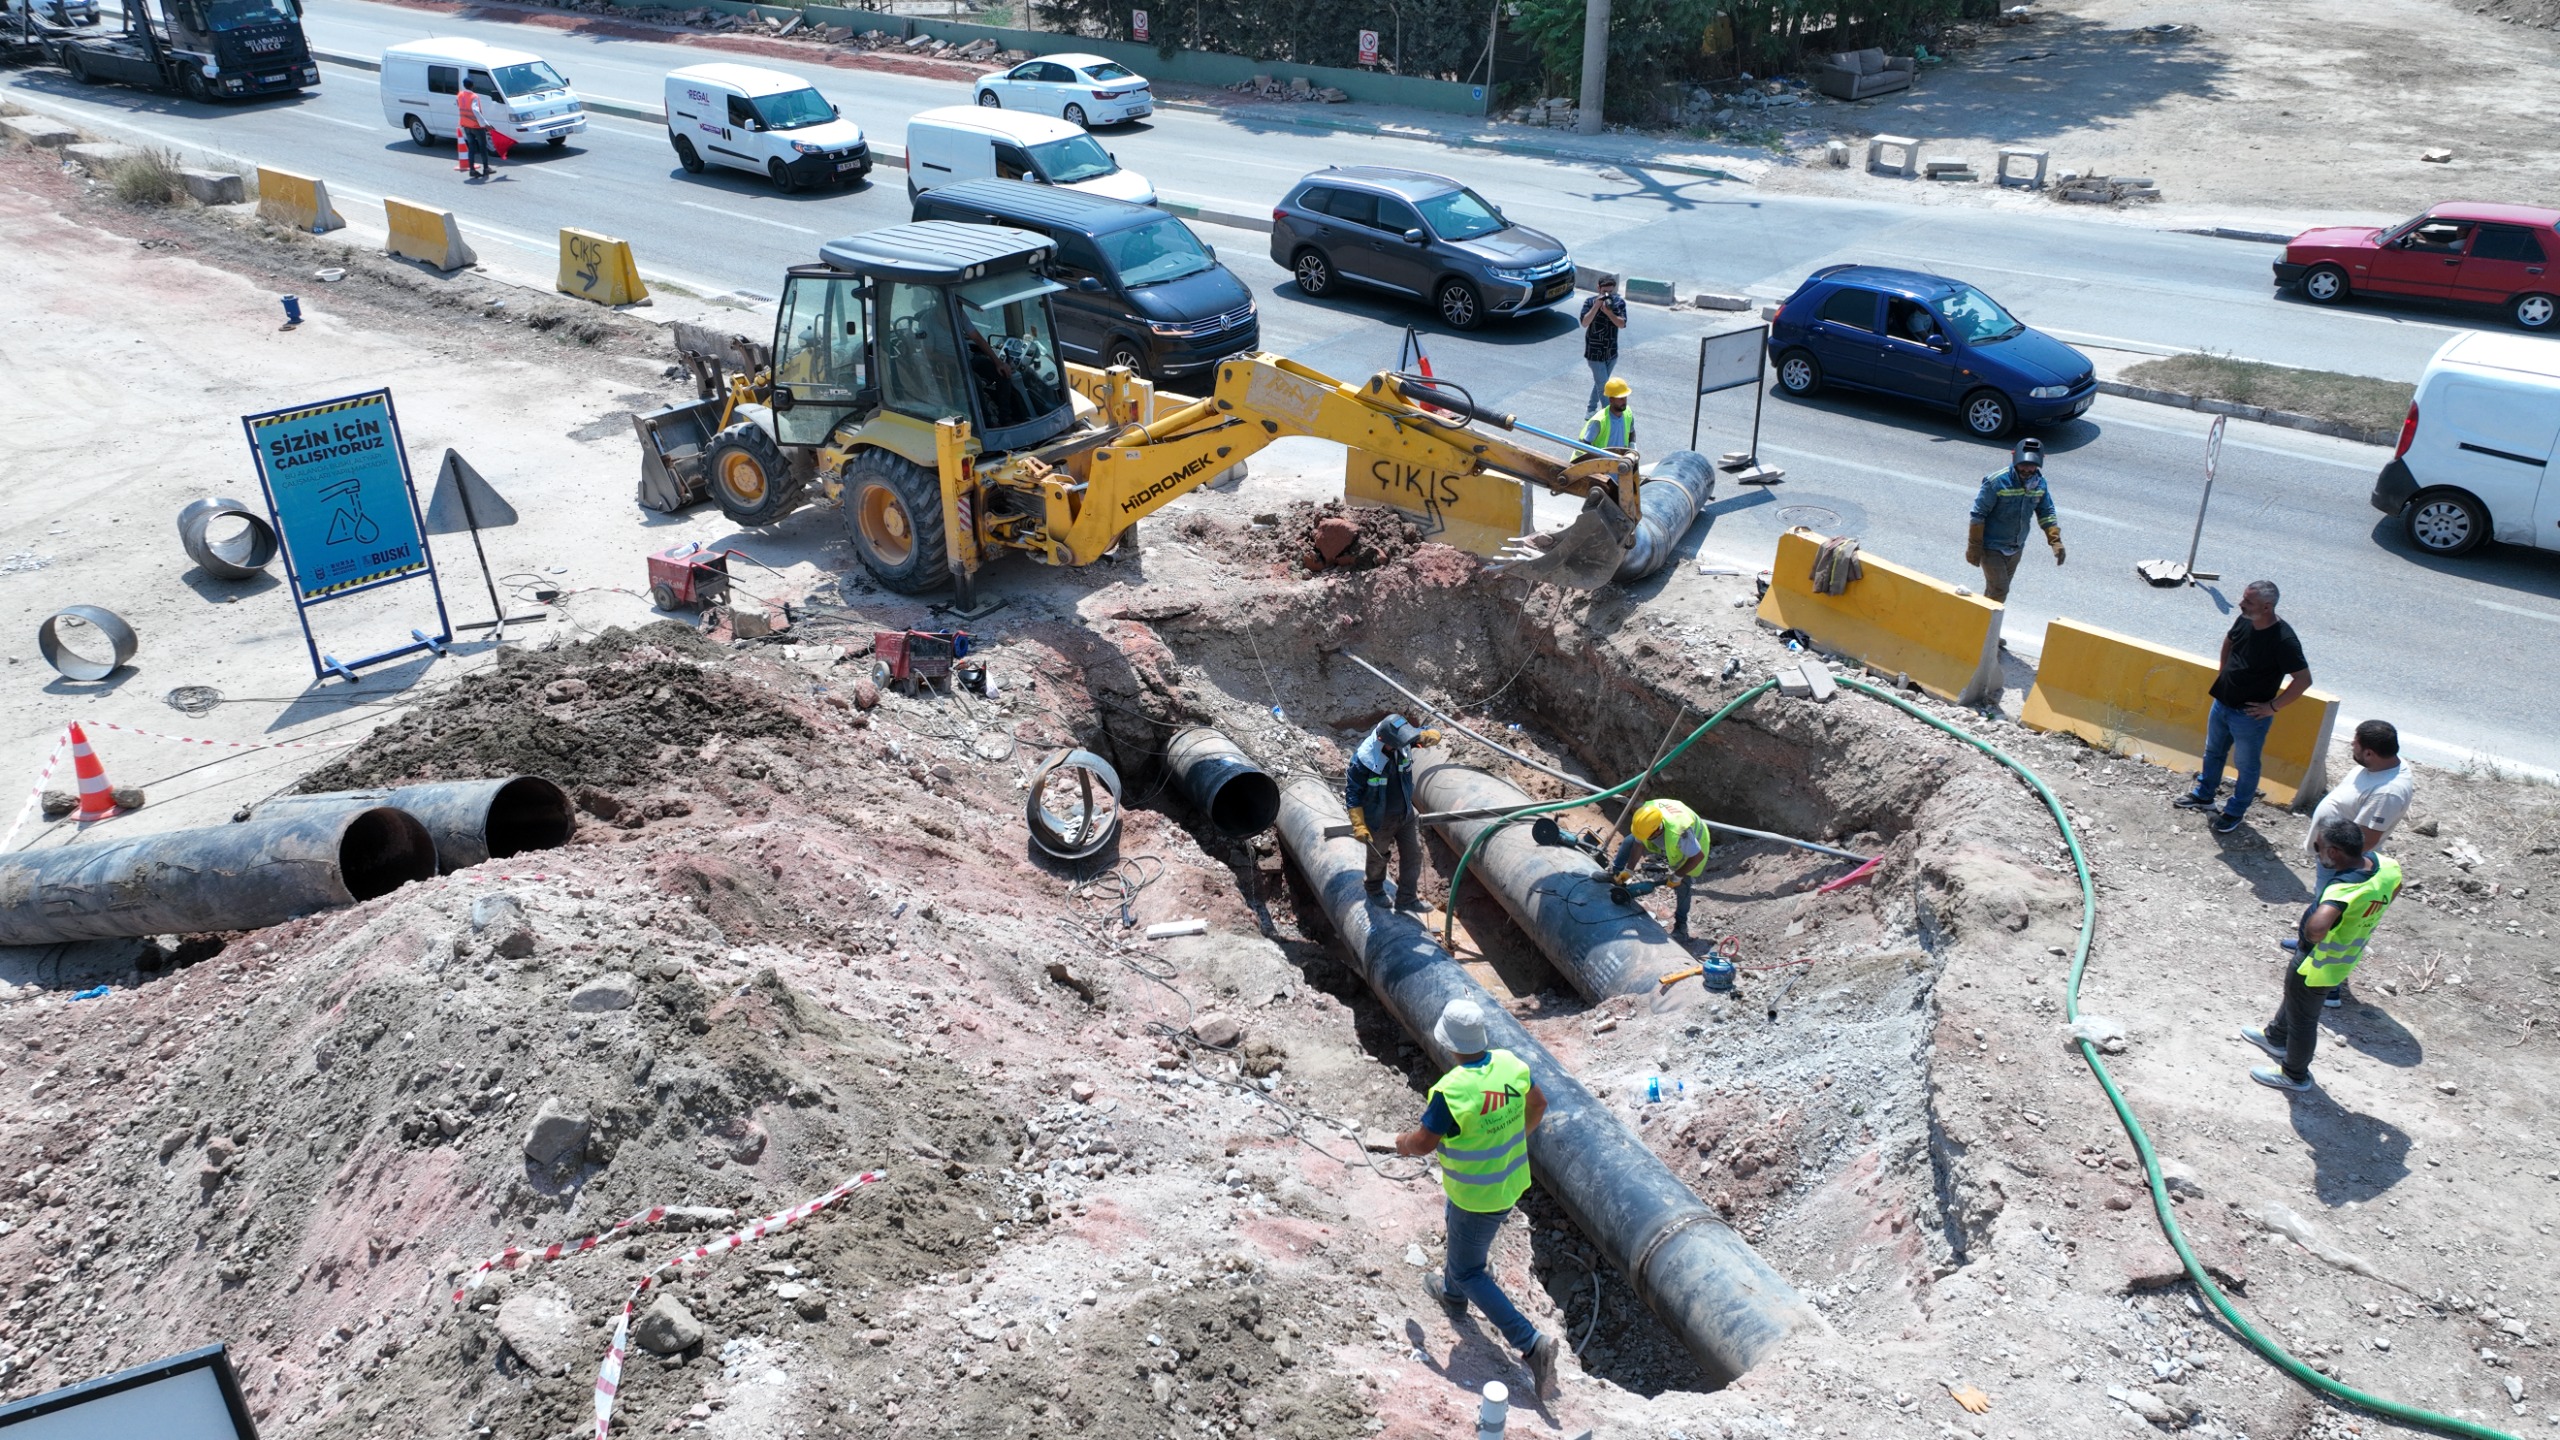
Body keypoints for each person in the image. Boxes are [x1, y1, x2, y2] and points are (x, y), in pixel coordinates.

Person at [1394, 998, 1565, 1402]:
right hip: (1506, 1183)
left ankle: (1530, 1343)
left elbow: (1422, 1143)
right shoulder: (1510, 1064)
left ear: (1450, 1045)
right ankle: (1453, 1297)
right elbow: (1539, 1104)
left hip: (1477, 1194)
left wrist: (1401, 1143)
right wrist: (1511, 1139)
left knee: (1471, 1269)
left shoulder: (1451, 1092)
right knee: (1461, 1236)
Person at [2241, 818, 2401, 1092]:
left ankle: (2294, 1074)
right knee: (2296, 1000)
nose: (2318, 852)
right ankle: (2276, 1037)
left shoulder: (2343, 890)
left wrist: (2313, 934)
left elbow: (2317, 928)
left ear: (2335, 851)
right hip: (2345, 956)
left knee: (2304, 1020)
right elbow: (2396, 888)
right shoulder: (2386, 867)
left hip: (2318, 963)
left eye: (2319, 846)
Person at [2291, 719, 2415, 1007]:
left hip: (2340, 864)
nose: (2351, 745)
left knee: (2333, 924)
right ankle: (2306, 946)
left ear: (2370, 752)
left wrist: (2333, 858)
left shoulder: (2388, 792)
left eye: (2356, 743)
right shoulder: (2377, 766)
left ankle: (2327, 988)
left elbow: (2367, 840)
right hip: (2332, 856)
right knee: (2321, 911)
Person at [2174, 580, 2312, 835]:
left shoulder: (2284, 640)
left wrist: (2273, 707)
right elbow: (2229, 640)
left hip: (2249, 716)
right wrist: (2224, 671)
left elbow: (2303, 680)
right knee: (2213, 751)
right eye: (2244, 599)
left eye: (2248, 601)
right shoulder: (2246, 619)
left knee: (2246, 765)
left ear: (2267, 606)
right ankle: (2204, 795)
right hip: (2222, 702)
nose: (2241, 603)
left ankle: (2235, 811)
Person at [1344, 714, 1442, 910]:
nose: (1401, 746)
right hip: (1380, 819)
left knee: (1413, 855)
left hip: (1406, 813)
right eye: (1396, 744)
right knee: (1378, 857)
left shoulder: (1400, 740)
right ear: (1383, 740)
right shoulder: (1364, 759)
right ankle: (1374, 889)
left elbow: (1424, 732)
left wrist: (1429, 735)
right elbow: (1353, 793)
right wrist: (1359, 824)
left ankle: (1406, 898)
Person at [1963, 438, 2064, 603]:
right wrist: (1974, 547)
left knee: (1995, 592)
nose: (2027, 469)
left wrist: (2055, 541)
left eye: (2032, 466)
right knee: (2000, 590)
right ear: (2014, 459)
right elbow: (1978, 515)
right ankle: (1988, 627)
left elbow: (2046, 512)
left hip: (2016, 548)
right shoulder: (1996, 482)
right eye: (2023, 465)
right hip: (1992, 548)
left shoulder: (2040, 484)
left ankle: (1981, 623)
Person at [1609, 798, 1713, 940]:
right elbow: (1638, 844)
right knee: (1630, 840)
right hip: (1667, 829)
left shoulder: (1681, 833)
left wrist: (1678, 875)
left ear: (1657, 831)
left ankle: (1681, 926)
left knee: (1684, 883)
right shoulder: (1646, 819)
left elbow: (1697, 856)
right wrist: (1629, 870)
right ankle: (1615, 875)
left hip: (1695, 845)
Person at [1580, 276, 1627, 413]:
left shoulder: (1618, 303)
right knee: (1604, 386)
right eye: (1604, 292)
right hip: (1594, 352)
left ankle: (1591, 409)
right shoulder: (1590, 302)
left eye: (1610, 292)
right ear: (1598, 288)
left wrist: (1609, 313)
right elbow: (1584, 323)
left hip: (1611, 352)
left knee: (1601, 382)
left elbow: (1622, 324)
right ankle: (1610, 414)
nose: (1607, 295)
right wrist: (1596, 306)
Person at [1581, 377, 1635, 453]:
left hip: (1620, 459)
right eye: (1620, 398)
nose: (1624, 401)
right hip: (1602, 462)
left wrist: (1632, 446)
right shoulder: (1599, 421)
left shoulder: (1628, 413)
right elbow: (1585, 444)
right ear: (1611, 400)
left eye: (1625, 397)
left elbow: (1631, 431)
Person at [456, 83, 494, 180]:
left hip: (465, 125)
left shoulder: (460, 95)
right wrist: (485, 124)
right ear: (472, 86)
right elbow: (475, 110)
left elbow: (457, 104)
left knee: (471, 148)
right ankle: (486, 168)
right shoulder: (474, 96)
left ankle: (472, 170)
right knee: (482, 147)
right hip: (476, 126)